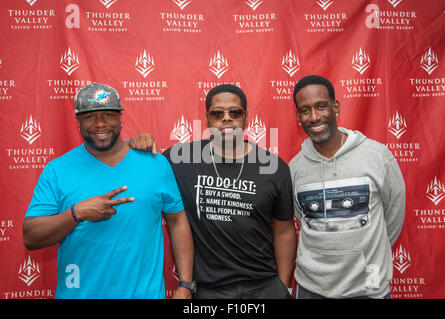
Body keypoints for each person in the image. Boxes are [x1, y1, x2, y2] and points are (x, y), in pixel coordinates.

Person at [23, 83, 194, 299]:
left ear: (121, 117)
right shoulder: (57, 170)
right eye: (90, 116)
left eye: (108, 114)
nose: (100, 123)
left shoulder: (155, 163)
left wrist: (185, 284)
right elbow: (30, 237)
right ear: (77, 121)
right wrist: (76, 213)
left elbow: (177, 221)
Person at [130, 84, 297, 299]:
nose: (226, 119)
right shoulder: (181, 159)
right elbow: (147, 165)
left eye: (235, 112)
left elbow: (284, 230)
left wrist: (283, 286)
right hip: (210, 290)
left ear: (246, 118)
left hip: (263, 285)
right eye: (218, 113)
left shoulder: (273, 166)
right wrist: (138, 143)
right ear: (207, 119)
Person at [289, 75, 406, 299]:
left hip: (368, 288)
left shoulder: (377, 156)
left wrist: (365, 255)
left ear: (335, 107)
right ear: (298, 116)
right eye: (305, 110)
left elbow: (392, 218)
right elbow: (302, 217)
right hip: (311, 288)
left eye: (321, 106)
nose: (314, 117)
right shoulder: (295, 168)